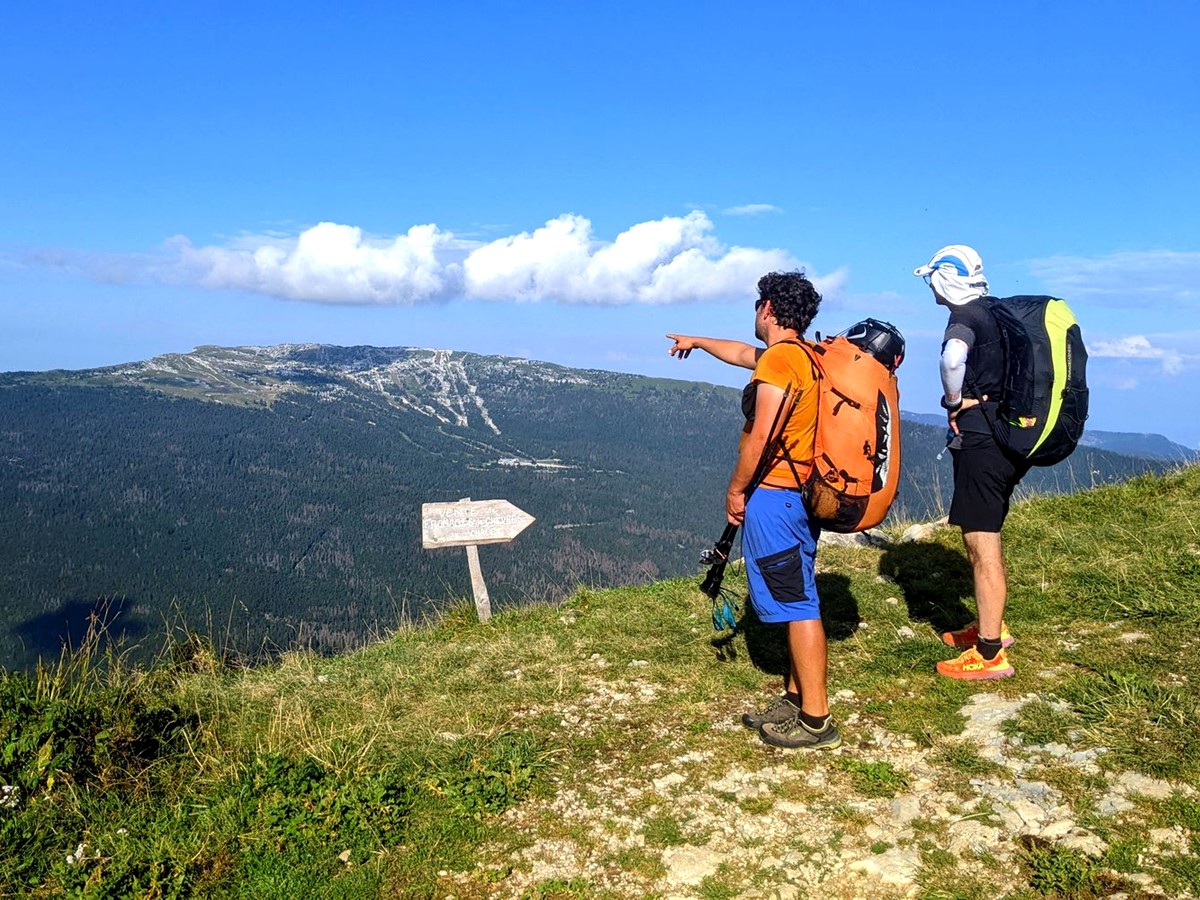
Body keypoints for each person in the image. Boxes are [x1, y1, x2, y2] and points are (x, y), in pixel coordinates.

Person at [666, 270, 840, 750]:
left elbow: (761, 437)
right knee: (795, 592)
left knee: (798, 603)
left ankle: (816, 720)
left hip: (777, 496)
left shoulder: (781, 363)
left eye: (757, 305)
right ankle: (795, 696)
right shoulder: (804, 356)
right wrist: (698, 342)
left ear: (767, 309)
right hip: (802, 496)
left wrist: (736, 490)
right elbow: (742, 355)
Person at [914, 244, 1027, 680]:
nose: (930, 289)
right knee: (985, 538)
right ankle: (988, 625)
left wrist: (953, 401)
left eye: (931, 280)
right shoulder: (994, 311)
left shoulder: (963, 319)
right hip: (1008, 432)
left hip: (981, 438)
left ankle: (990, 653)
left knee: (983, 546)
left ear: (944, 279)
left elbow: (952, 358)